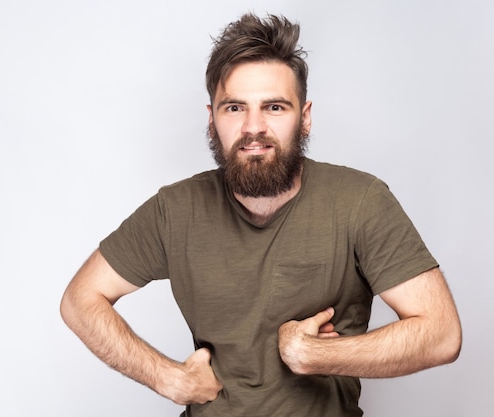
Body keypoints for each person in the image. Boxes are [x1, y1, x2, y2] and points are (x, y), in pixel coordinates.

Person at [60, 13, 462, 416]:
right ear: (212, 118)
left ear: (304, 118)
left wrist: (315, 355)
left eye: (274, 106)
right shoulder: (175, 209)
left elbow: (441, 334)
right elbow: (81, 300)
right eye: (235, 108)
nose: (254, 128)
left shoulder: (360, 201)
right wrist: (169, 378)